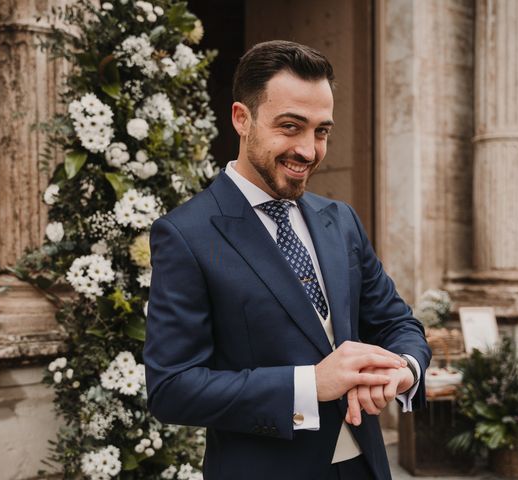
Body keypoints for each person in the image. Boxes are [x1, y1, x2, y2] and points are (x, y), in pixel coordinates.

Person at [144, 40, 431, 480]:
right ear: (242, 118)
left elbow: (397, 323)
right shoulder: (185, 234)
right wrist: (309, 385)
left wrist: (402, 371)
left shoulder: (341, 219)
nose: (309, 150)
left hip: (366, 467)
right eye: (291, 126)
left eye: (321, 131)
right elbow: (171, 389)